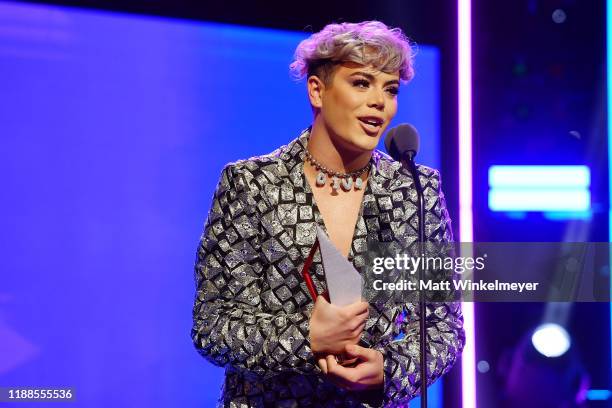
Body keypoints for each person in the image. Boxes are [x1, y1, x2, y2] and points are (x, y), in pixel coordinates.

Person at [191, 20, 465, 407]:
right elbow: (213, 326)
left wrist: (389, 371)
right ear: (317, 91)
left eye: (390, 89)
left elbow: (443, 328)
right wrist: (307, 336)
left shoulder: (413, 190)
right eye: (361, 83)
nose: (379, 102)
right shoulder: (251, 184)